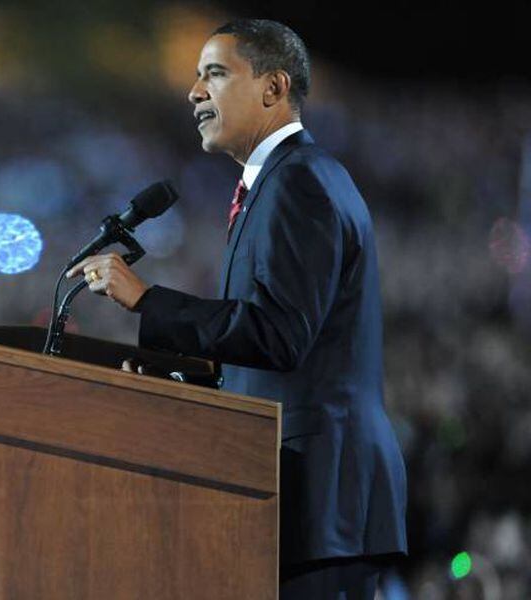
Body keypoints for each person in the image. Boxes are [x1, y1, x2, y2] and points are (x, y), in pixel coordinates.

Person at [66, 18, 407, 599]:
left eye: (215, 74)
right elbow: (273, 347)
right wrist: (168, 376)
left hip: (319, 501)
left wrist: (148, 300)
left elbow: (280, 336)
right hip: (308, 498)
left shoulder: (299, 183)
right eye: (198, 75)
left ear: (273, 88)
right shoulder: (283, 180)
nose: (194, 91)